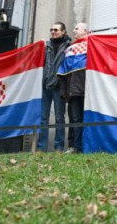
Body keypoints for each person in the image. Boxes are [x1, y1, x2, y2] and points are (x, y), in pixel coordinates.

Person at [38, 23, 72, 152]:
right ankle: (41, 147)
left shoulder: (69, 46)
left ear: (63, 31)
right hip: (45, 85)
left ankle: (59, 147)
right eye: (51, 30)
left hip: (59, 86)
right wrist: (38, 47)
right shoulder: (46, 46)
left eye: (56, 30)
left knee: (59, 118)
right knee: (43, 118)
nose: (53, 32)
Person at [58, 23, 89, 153]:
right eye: (74, 28)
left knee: (83, 118)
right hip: (72, 91)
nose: (73, 30)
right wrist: (64, 91)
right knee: (73, 119)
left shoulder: (92, 46)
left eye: (77, 28)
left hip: (87, 90)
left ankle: (81, 147)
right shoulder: (70, 49)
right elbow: (64, 72)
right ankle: (74, 146)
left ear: (86, 31)